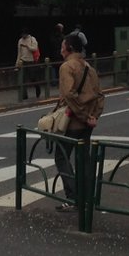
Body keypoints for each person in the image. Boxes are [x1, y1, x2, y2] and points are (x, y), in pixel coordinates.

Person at [53, 32, 104, 211]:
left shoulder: (67, 67)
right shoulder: (89, 67)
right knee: (85, 159)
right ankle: (88, 197)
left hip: (73, 121)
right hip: (88, 123)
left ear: (70, 48)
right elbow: (99, 95)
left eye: (62, 47)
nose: (60, 51)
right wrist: (93, 117)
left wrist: (82, 115)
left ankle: (73, 197)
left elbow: (69, 94)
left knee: (61, 155)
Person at [16, 26, 41, 99]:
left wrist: (27, 46)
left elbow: (35, 48)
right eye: (22, 34)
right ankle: (24, 95)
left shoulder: (32, 39)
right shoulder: (20, 41)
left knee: (33, 78)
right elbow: (19, 52)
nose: (22, 36)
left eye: (24, 34)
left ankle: (37, 88)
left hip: (31, 61)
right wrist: (17, 62)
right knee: (22, 79)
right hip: (23, 61)